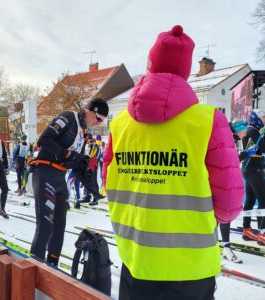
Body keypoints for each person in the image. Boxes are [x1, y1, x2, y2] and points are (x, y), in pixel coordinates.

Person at [103, 25, 243, 300]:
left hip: (137, 260)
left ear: (150, 63)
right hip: (190, 268)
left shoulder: (120, 125)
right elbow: (228, 205)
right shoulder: (207, 120)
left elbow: (108, 183)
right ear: (186, 70)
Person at [30, 98, 109, 266]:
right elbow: (44, 140)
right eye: (99, 119)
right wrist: (66, 154)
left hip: (60, 177)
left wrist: (91, 185)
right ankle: (34, 266)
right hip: (45, 173)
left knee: (59, 226)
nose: (98, 123)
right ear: (91, 110)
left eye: (102, 121)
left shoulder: (84, 132)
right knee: (45, 226)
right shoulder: (69, 117)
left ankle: (52, 264)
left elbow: (75, 164)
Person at [220, 120, 248, 263]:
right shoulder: (227, 136)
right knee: (223, 213)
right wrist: (241, 156)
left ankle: (225, 247)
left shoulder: (232, 137)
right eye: (244, 130)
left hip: (225, 180)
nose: (246, 133)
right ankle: (225, 247)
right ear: (238, 130)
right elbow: (225, 160)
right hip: (220, 181)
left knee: (225, 214)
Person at [240, 109, 265, 245]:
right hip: (253, 170)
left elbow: (258, 150)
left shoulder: (253, 131)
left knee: (250, 200)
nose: (264, 120)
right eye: (263, 117)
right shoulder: (253, 131)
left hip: (251, 169)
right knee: (264, 201)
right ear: (256, 118)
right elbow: (264, 148)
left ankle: (247, 229)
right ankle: (262, 233)